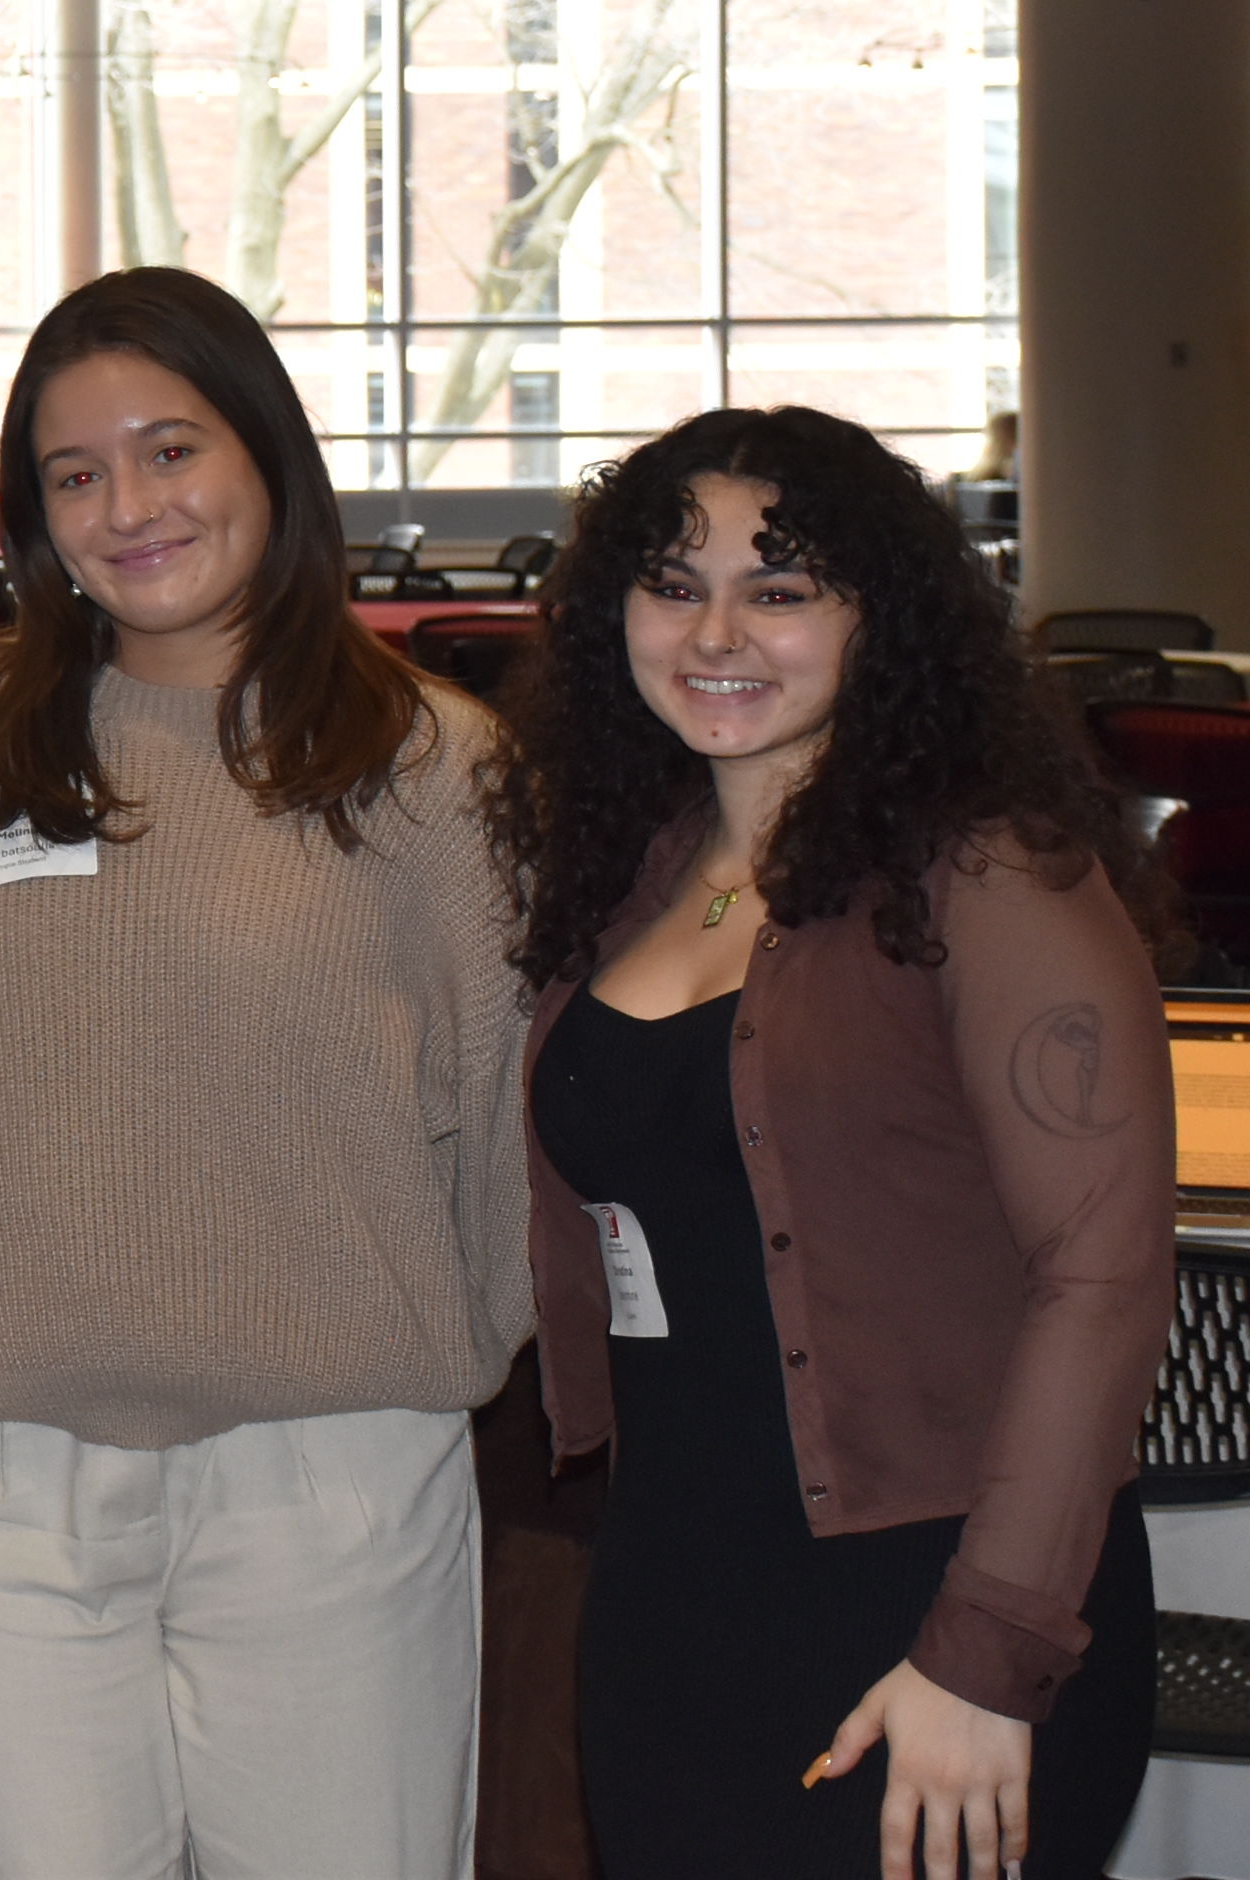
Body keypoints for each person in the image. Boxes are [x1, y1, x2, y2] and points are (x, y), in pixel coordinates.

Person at [0, 266, 531, 1877]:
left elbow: (503, 1120)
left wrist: (444, 1345)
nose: (127, 507)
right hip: (3, 1470)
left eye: (171, 451)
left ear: (268, 463)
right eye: (74, 474)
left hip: (332, 1472)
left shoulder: (431, 765)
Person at [493, 407, 1169, 1880]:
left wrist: (988, 1654)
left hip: (937, 1606)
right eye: (674, 584)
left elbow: (1105, 1278)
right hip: (675, 1595)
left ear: (884, 617)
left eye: (781, 589)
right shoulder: (642, 870)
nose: (716, 630)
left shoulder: (986, 868)